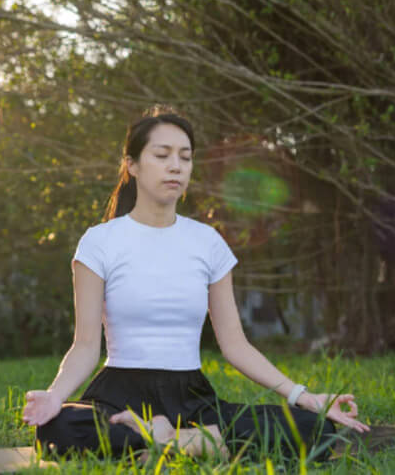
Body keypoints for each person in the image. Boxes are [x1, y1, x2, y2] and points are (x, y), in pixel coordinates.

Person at [22, 106, 370, 462]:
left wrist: (305, 397)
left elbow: (235, 345)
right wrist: (53, 395)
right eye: (162, 155)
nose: (176, 166)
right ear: (132, 165)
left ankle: (163, 439)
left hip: (191, 395)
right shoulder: (99, 242)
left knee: (313, 427)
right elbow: (85, 345)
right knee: (58, 429)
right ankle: (197, 444)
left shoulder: (208, 243)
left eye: (185, 158)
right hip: (118, 390)